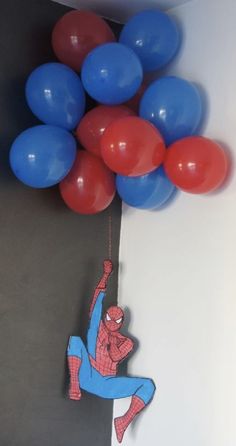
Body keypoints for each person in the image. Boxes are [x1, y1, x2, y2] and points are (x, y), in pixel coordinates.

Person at [67, 259, 155, 443]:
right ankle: (74, 382)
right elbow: (97, 301)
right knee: (76, 340)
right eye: (109, 317)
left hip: (107, 383)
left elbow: (115, 356)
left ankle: (123, 421)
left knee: (148, 385)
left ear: (122, 322)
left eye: (117, 320)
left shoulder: (126, 342)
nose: (111, 322)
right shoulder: (97, 328)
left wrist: (114, 339)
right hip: (87, 373)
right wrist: (106, 275)